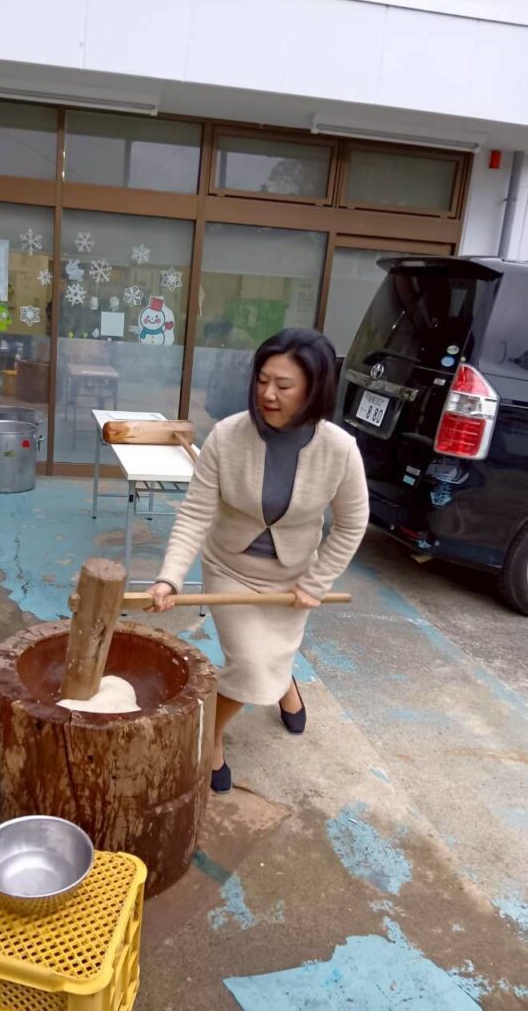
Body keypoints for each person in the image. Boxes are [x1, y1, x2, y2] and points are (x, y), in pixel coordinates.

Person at [146, 328, 369, 793]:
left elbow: (351, 524)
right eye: (262, 380)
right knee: (250, 664)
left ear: (315, 389)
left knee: (269, 658)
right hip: (231, 568)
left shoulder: (340, 449)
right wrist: (170, 578)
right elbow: (196, 513)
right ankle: (210, 735)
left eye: (283, 385)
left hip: (293, 578)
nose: (268, 394)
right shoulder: (228, 436)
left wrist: (317, 581)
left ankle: (283, 681)